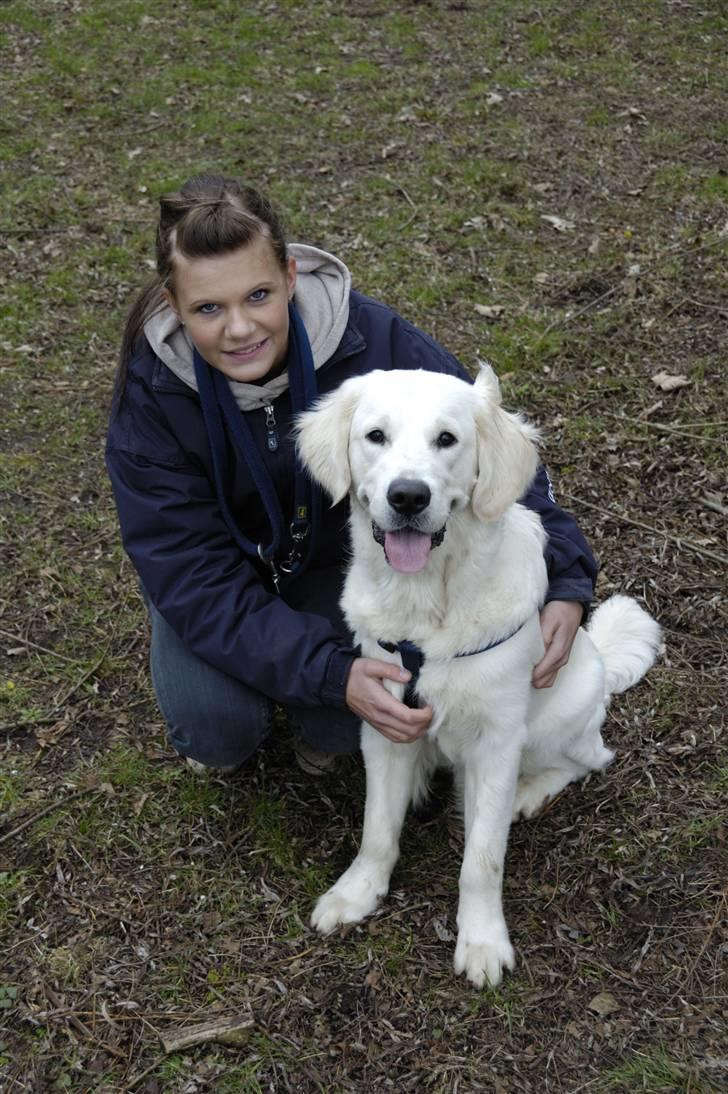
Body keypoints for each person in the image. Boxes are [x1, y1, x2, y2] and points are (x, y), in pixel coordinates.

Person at [106, 173, 597, 775]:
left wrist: (566, 579)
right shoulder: (152, 395)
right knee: (216, 729)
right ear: (174, 304)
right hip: (216, 579)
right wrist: (331, 672)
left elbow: (490, 452)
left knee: (364, 712)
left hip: (337, 565)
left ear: (290, 277)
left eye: (258, 295)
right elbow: (184, 566)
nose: (240, 328)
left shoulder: (377, 343)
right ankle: (251, 688)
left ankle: (319, 717)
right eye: (208, 308)